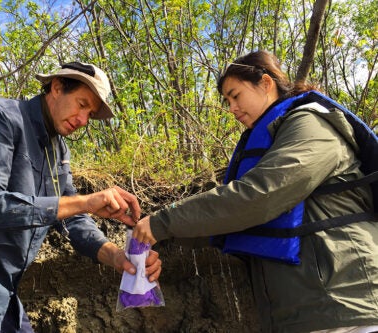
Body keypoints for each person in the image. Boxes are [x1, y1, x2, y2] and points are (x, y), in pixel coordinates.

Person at [0, 61, 162, 333]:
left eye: (90, 113)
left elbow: (73, 220)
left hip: (0, 296)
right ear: (57, 87)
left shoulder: (58, 151)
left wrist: (117, 257)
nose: (83, 120)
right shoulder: (0, 117)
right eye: (82, 104)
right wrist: (86, 202)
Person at [129, 51, 378, 332]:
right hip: (307, 309)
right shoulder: (274, 138)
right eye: (227, 101)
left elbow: (260, 195)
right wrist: (154, 233)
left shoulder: (312, 124)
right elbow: (229, 221)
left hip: (346, 301)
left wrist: (163, 223)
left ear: (266, 83)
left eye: (235, 95)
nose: (232, 108)